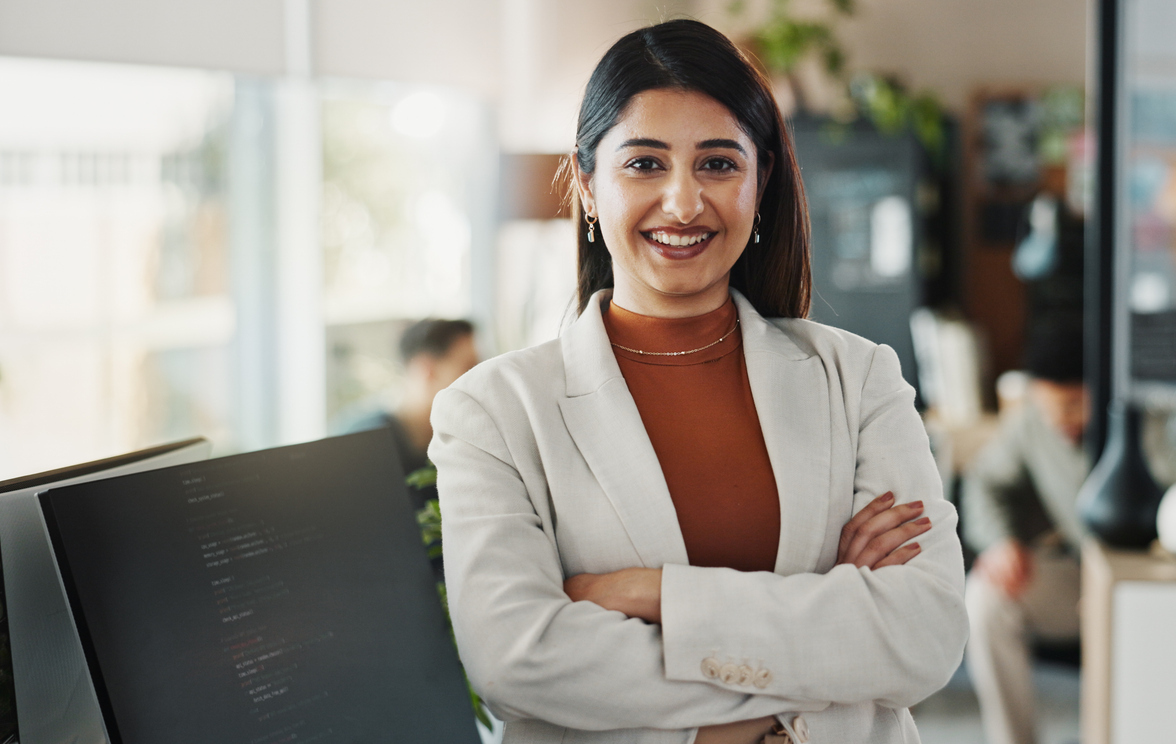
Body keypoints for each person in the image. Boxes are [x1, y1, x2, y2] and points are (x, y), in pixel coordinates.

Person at [428, 19, 967, 744]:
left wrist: (654, 596)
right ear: (587, 184)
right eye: (645, 165)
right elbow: (518, 659)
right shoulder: (492, 412)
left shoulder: (858, 379)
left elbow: (923, 637)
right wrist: (805, 673)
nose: (683, 204)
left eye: (717, 164)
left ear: (761, 178)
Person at [962, 319, 1090, 744]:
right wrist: (1001, 541)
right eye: (1050, 407)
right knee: (985, 598)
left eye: (1073, 405)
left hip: (1136, 583)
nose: (1061, 420)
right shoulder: (1033, 419)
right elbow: (986, 480)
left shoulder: (1145, 421)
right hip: (1074, 585)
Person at [341, 318, 479, 505]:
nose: (478, 380)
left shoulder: (463, 440)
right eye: (468, 368)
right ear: (428, 370)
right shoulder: (362, 442)